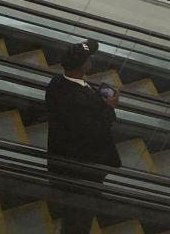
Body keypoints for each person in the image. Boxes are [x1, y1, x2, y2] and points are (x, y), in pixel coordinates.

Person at [45, 40, 120, 232]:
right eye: (89, 58)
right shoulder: (76, 99)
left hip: (64, 162)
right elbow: (92, 133)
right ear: (83, 66)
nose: (91, 60)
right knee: (80, 216)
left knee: (74, 212)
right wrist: (109, 108)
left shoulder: (57, 82)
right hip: (81, 170)